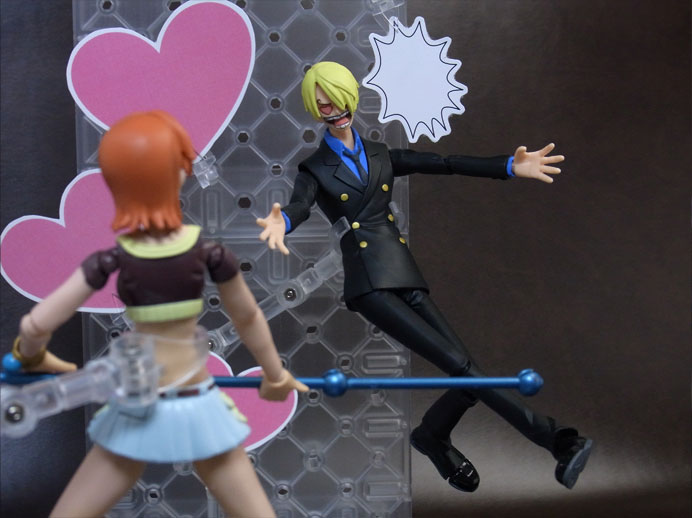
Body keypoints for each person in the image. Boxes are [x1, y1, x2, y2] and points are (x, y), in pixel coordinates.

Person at [257, 61, 591, 492]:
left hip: (403, 271)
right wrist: (284, 221)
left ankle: (432, 436)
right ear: (313, 108)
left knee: (467, 374)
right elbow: (300, 204)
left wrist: (508, 165)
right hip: (370, 285)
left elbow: (444, 162)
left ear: (351, 99)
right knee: (463, 367)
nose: (333, 110)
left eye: (338, 100)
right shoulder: (314, 169)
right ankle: (556, 440)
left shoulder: (381, 154)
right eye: (323, 105)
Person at [12, 110, 307, 518]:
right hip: (195, 404)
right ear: (181, 172)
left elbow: (37, 323)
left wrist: (30, 355)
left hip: (137, 405)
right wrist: (274, 375)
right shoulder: (210, 255)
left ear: (116, 183)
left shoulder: (111, 260)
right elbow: (249, 318)